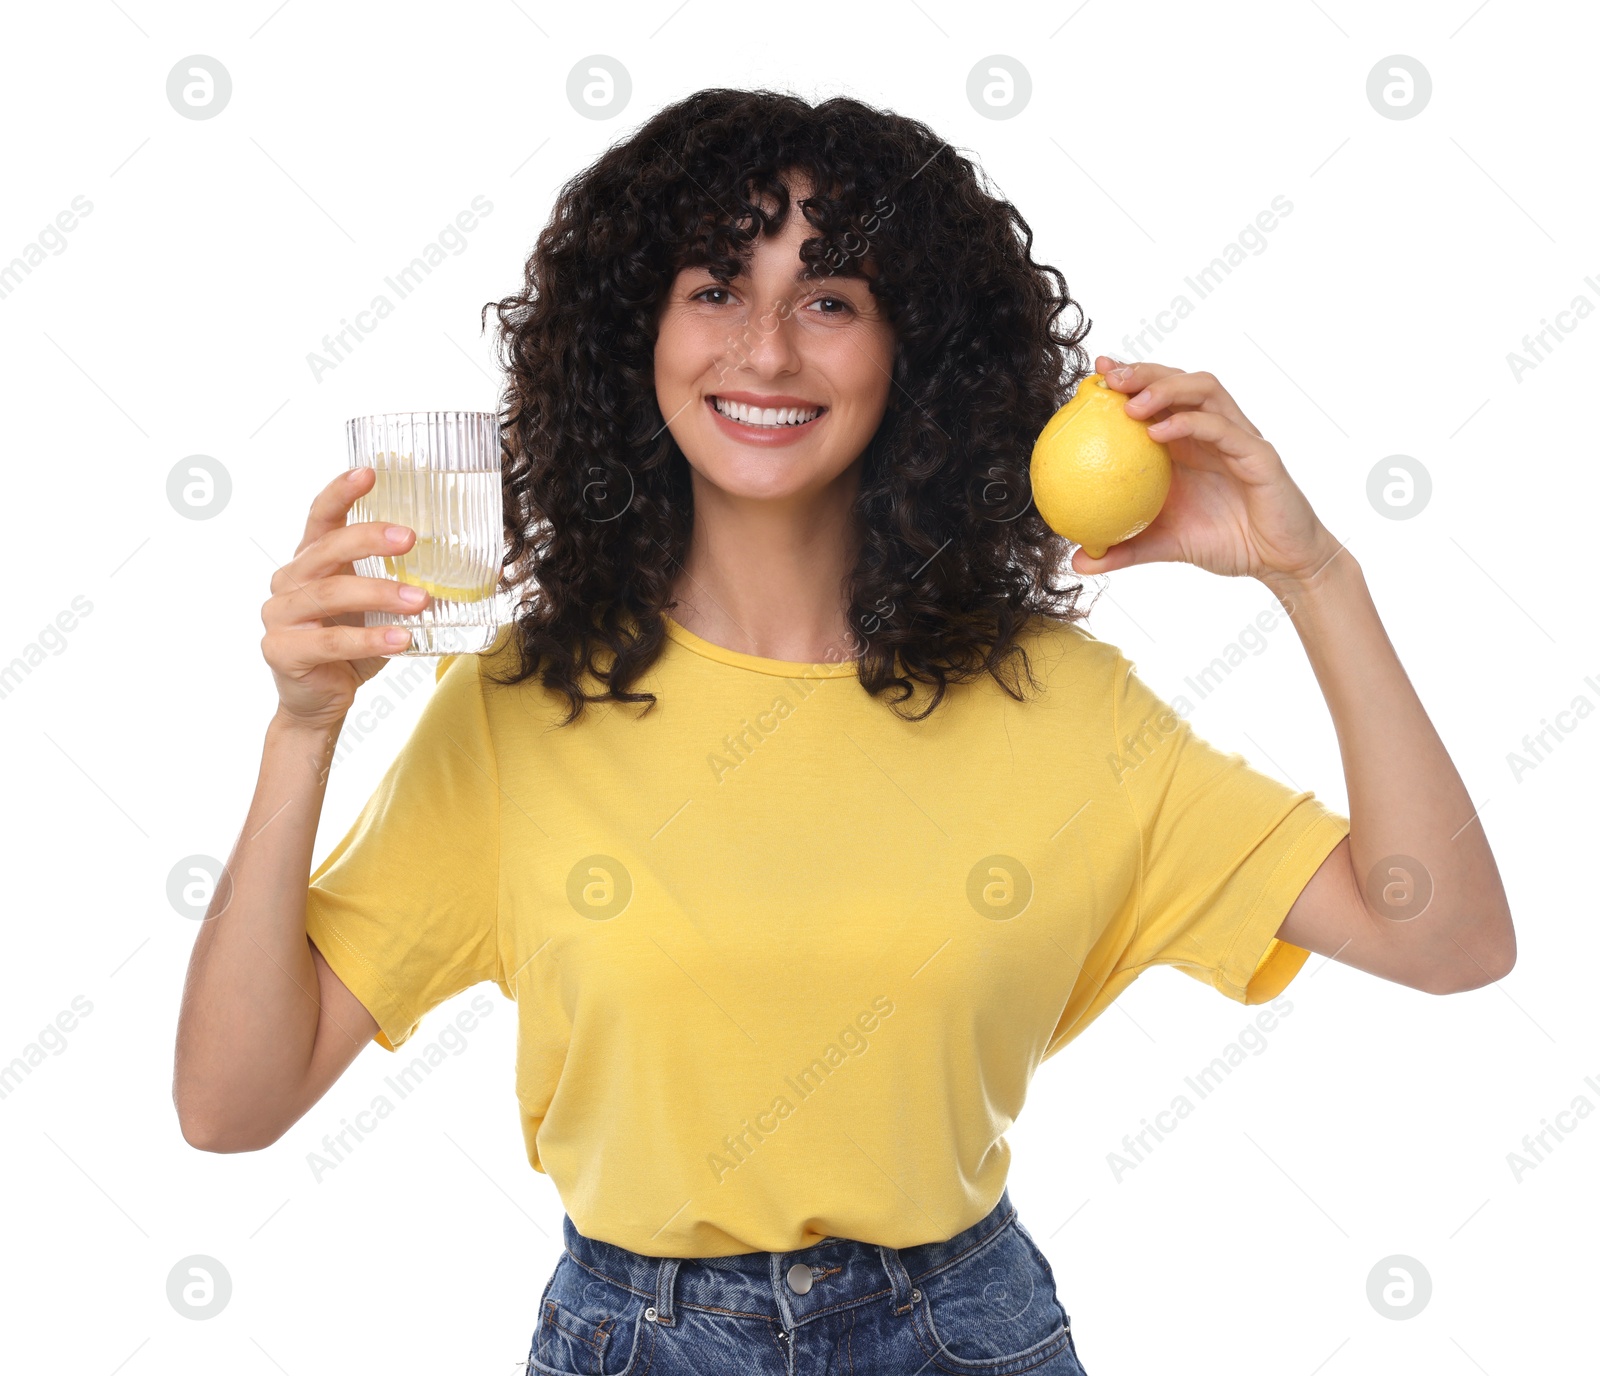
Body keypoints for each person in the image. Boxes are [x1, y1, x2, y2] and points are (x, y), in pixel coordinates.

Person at [173, 88, 1515, 1376]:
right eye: (715, 289)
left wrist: (1313, 574)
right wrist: (303, 730)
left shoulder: (1064, 708)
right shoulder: (524, 707)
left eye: (829, 299)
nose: (765, 351)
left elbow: (1445, 935)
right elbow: (231, 1107)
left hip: (964, 1333)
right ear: (634, 337)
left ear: (911, 350)